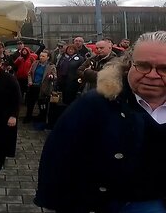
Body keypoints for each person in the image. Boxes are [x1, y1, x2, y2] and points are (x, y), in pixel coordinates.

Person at [35, 31, 166, 213]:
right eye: (143, 66)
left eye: (163, 69)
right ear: (129, 65)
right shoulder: (93, 104)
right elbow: (58, 155)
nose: (152, 75)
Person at [25, 50, 56, 123]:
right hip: (33, 86)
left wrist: (52, 76)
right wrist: (30, 81)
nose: (41, 57)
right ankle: (28, 118)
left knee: (42, 105)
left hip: (42, 88)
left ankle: (42, 118)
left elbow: (55, 76)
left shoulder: (51, 66)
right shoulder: (35, 63)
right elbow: (29, 73)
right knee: (30, 104)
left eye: (43, 56)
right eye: (40, 56)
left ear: (48, 57)